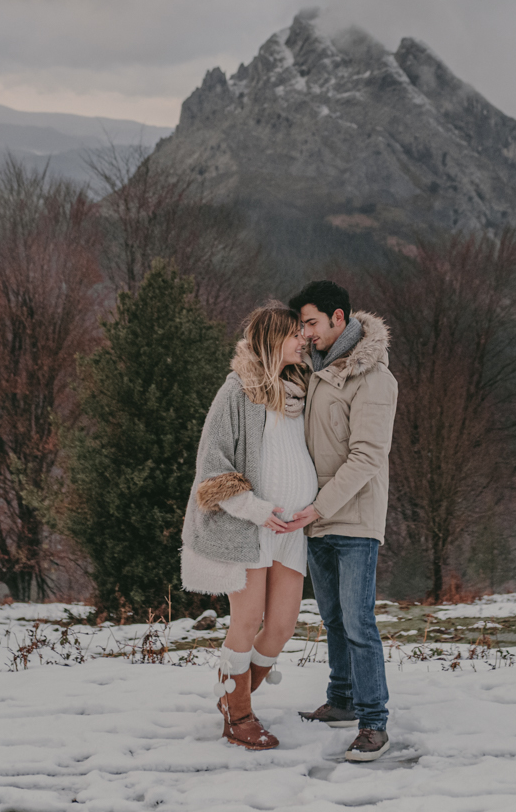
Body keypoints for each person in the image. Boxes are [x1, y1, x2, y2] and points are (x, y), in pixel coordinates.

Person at [180, 304, 320, 751]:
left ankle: (232, 695)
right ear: (271, 339)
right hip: (252, 527)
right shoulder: (237, 392)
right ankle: (238, 716)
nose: (303, 340)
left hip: (291, 530)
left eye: (304, 332)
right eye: (295, 334)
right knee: (247, 620)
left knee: (280, 626)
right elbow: (212, 468)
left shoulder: (300, 390)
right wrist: (257, 510)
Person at [287, 278, 398, 763]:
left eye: (311, 322)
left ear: (338, 317)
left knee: (358, 621)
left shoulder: (374, 378)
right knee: (332, 618)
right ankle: (342, 700)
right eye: (301, 326)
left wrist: (319, 506)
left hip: (351, 518)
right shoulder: (313, 372)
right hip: (317, 516)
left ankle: (374, 723)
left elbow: (367, 456)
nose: (306, 333)